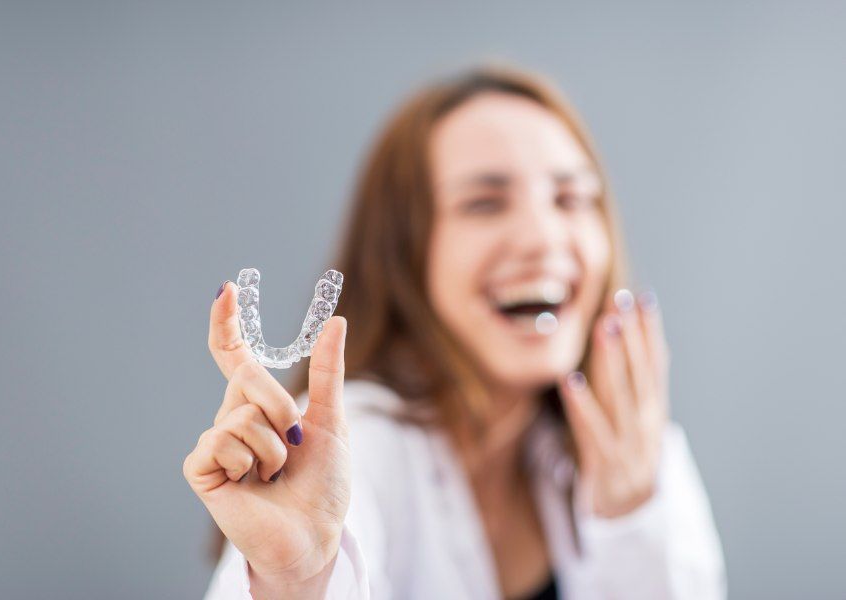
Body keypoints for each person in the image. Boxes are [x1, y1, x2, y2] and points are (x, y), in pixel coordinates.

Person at [183, 64, 727, 599]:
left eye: (571, 199)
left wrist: (632, 516)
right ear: (406, 255)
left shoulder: (631, 448)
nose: (543, 237)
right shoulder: (350, 451)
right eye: (484, 203)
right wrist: (296, 583)